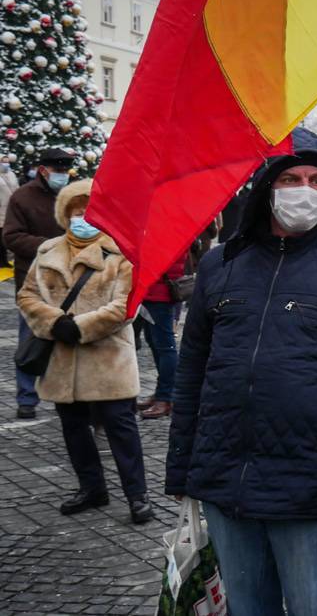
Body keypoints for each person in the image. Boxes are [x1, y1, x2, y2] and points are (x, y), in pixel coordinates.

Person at [165, 129, 317, 616]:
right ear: (265, 188)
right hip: (224, 468)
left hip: (309, 476)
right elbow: (191, 370)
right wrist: (184, 462)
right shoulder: (220, 264)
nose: (304, 190)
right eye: (291, 177)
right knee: (248, 606)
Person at [17, 178, 154, 524]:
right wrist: (53, 321)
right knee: (73, 429)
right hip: (63, 362)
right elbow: (27, 295)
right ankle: (92, 488)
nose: (82, 216)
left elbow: (127, 305)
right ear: (64, 214)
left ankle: (137, 495)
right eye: (75, 210)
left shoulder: (121, 252)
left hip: (108, 361)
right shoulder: (48, 251)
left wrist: (79, 327)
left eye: (89, 210)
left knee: (121, 429)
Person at [4, 148, 72, 419]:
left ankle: (63, 395)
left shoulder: (71, 197)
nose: (63, 176)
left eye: (66, 172)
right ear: (44, 170)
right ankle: (27, 398)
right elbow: (12, 236)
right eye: (59, 171)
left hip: (68, 282)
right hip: (33, 282)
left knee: (65, 339)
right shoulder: (22, 197)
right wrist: (48, 246)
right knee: (30, 339)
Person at [136, 252, 185, 419]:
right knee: (154, 341)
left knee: (165, 346)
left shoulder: (169, 230)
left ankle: (166, 398)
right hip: (152, 290)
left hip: (160, 292)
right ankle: (161, 394)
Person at [0, 160, 19, 267]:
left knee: (6, 238)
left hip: (11, 209)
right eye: (3, 161)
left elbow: (16, 188)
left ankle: (5, 261)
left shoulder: (11, 174)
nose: (5, 164)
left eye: (7, 162)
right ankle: (1, 261)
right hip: (1, 211)